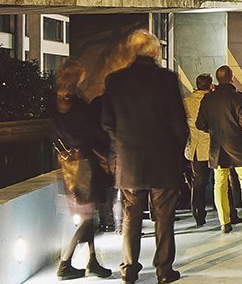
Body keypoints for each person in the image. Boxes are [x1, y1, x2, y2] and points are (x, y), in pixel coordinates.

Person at [98, 31, 189, 284]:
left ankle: (129, 269)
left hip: (129, 161)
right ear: (154, 52)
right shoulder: (167, 80)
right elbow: (178, 124)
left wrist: (122, 143)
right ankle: (163, 270)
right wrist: (176, 150)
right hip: (163, 160)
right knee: (163, 218)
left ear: (132, 51)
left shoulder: (115, 80)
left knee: (131, 217)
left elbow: (107, 121)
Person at [52, 65, 113, 279]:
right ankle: (65, 263)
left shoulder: (55, 105)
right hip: (84, 166)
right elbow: (92, 134)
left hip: (69, 166)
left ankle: (92, 259)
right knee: (87, 216)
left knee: (87, 213)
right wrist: (102, 154)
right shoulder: (77, 106)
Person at [196, 65, 242, 235]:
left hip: (217, 148)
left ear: (217, 79)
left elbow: (200, 124)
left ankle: (224, 222)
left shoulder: (208, 99)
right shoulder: (238, 97)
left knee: (220, 184)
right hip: (238, 147)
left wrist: (214, 131)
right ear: (232, 78)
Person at [182, 73, 214, 228]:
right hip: (213, 145)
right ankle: (225, 212)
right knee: (221, 181)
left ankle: (198, 214)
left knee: (198, 183)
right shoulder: (212, 100)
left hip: (194, 148)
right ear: (210, 85)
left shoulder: (186, 102)